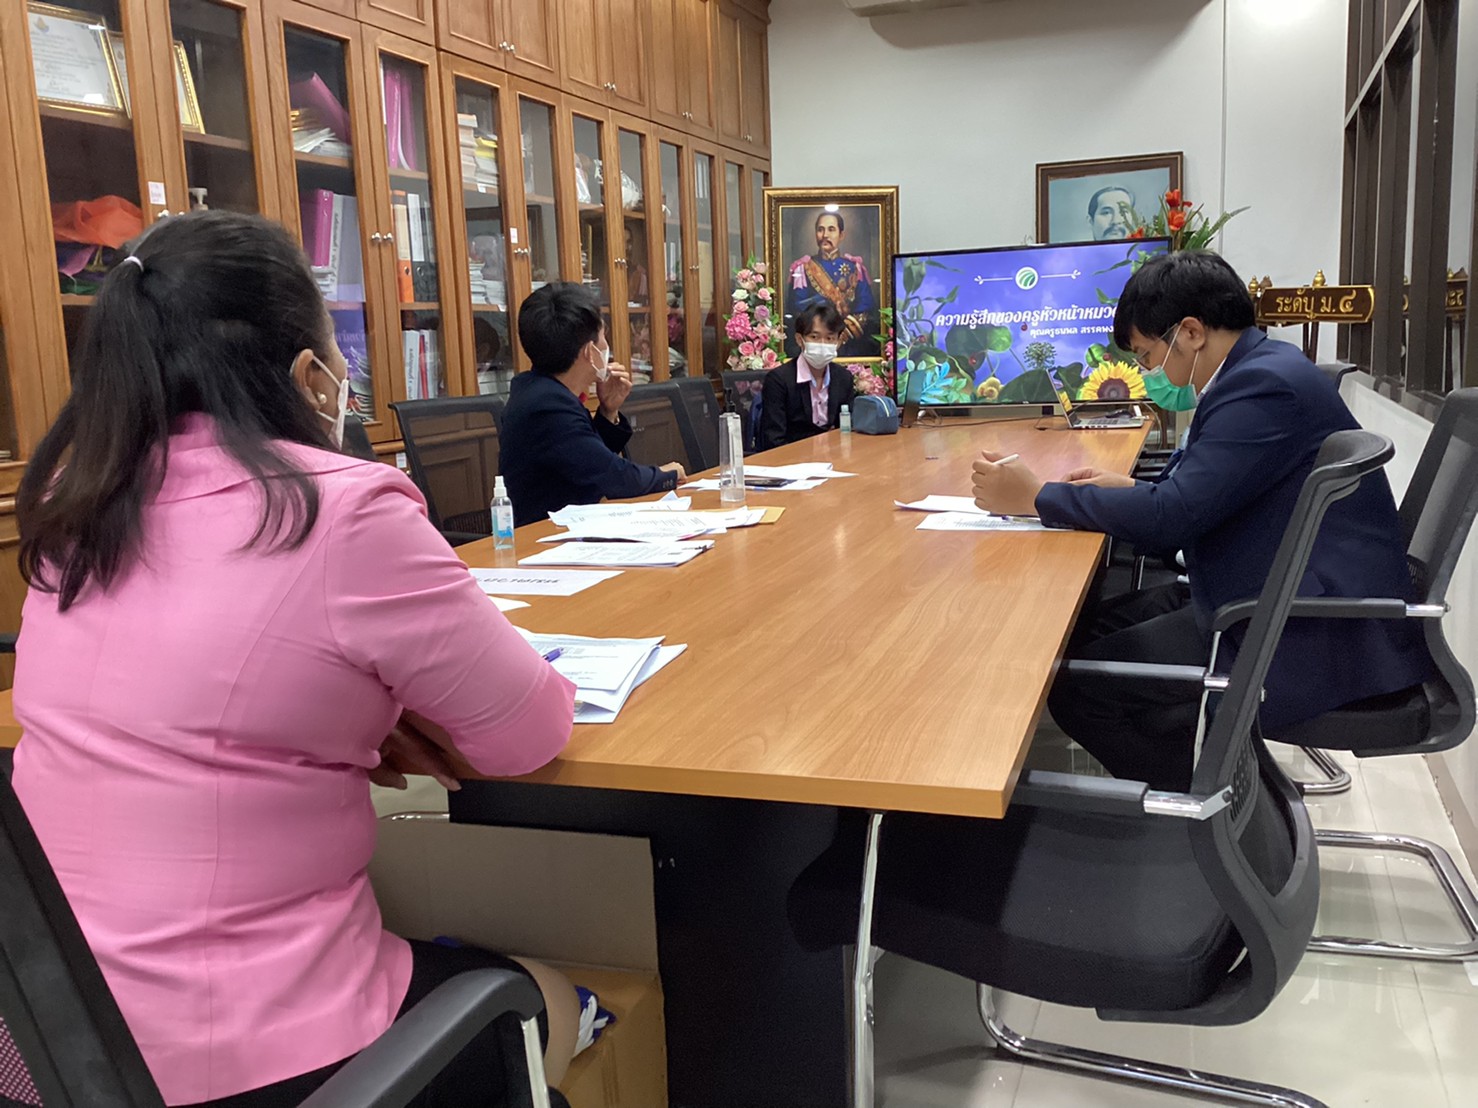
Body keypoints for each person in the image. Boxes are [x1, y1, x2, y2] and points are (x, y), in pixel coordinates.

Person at [11, 211, 583, 1108]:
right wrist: (384, 711)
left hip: (46, 1045)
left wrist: (354, 711)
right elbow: (528, 732)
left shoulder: (71, 505)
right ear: (312, 373)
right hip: (244, 1064)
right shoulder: (337, 508)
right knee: (549, 996)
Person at [969, 250, 1431, 792]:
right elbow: (1203, 493)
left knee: (1079, 691)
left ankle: (1216, 814)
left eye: (1147, 355)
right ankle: (1199, 769)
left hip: (1304, 628)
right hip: (1265, 588)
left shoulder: (1263, 387)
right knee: (1078, 629)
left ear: (1190, 332)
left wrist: (1037, 497)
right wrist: (1135, 490)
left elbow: (1173, 518)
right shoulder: (1260, 369)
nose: (1148, 372)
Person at [500, 282, 685, 526]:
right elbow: (613, 477)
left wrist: (608, 412)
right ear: (590, 351)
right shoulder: (548, 406)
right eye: (603, 335)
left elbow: (585, 460)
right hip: (544, 535)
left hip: (570, 526)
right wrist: (667, 474)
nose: (607, 345)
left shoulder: (542, 391)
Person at [759, 303, 857, 451]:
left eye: (830, 338)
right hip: (791, 458)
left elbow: (847, 430)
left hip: (833, 456)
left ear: (838, 341)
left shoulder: (843, 378)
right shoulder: (779, 380)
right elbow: (773, 439)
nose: (823, 344)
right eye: (814, 337)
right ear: (800, 339)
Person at [786, 210, 878, 358]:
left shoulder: (855, 267)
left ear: (841, 235)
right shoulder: (803, 268)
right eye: (820, 230)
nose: (825, 235)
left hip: (851, 346)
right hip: (815, 346)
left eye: (831, 229)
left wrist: (843, 336)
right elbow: (798, 308)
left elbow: (865, 306)